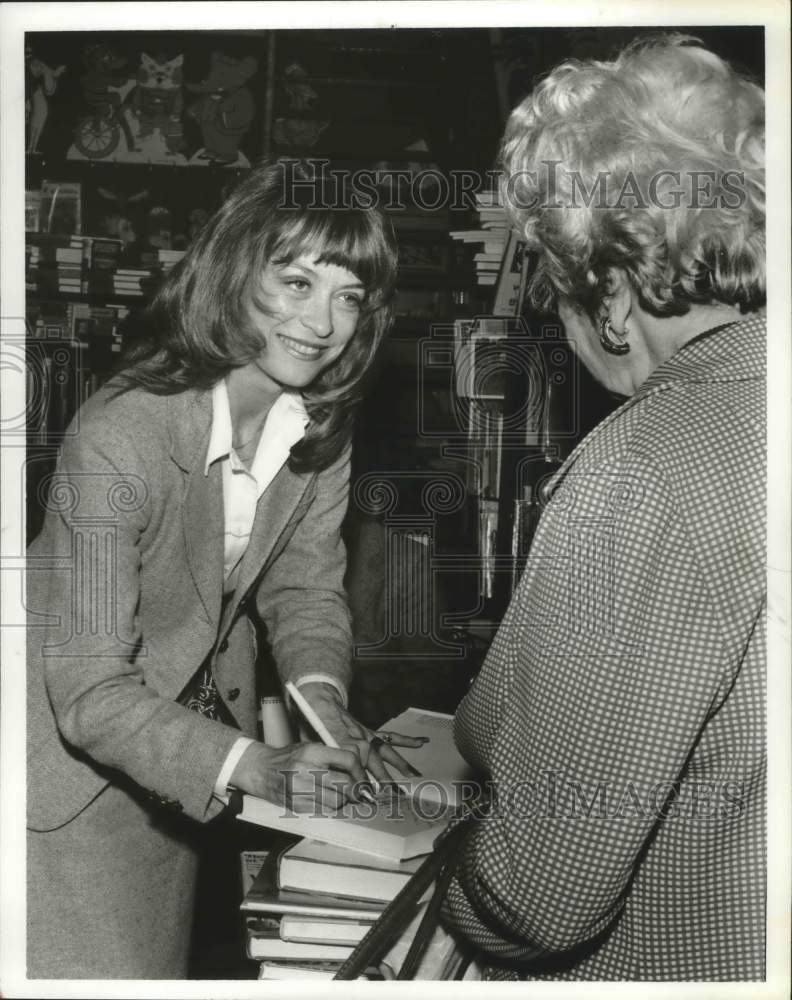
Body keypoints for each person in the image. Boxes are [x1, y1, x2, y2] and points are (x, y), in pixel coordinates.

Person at [26, 161, 417, 978]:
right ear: (235, 271)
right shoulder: (121, 437)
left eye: (348, 295)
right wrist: (259, 766)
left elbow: (305, 589)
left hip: (178, 770)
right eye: (297, 281)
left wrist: (327, 706)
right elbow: (92, 692)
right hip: (55, 787)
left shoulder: (316, 432)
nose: (323, 322)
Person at [442, 36, 766, 981]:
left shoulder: (650, 465)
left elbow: (539, 898)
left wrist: (452, 874)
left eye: (554, 287)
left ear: (613, 294)